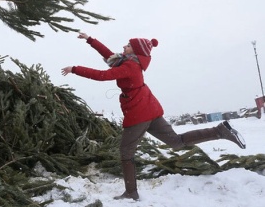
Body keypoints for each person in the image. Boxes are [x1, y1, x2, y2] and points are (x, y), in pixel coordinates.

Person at [61, 33, 246, 201]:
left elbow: (102, 75)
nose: (124, 46)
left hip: (139, 112)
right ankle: (220, 131)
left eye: (128, 45)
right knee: (177, 142)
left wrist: (75, 69)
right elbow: (109, 54)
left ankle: (131, 192)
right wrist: (89, 40)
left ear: (135, 50)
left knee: (126, 152)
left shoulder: (130, 66)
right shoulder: (126, 61)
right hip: (149, 108)